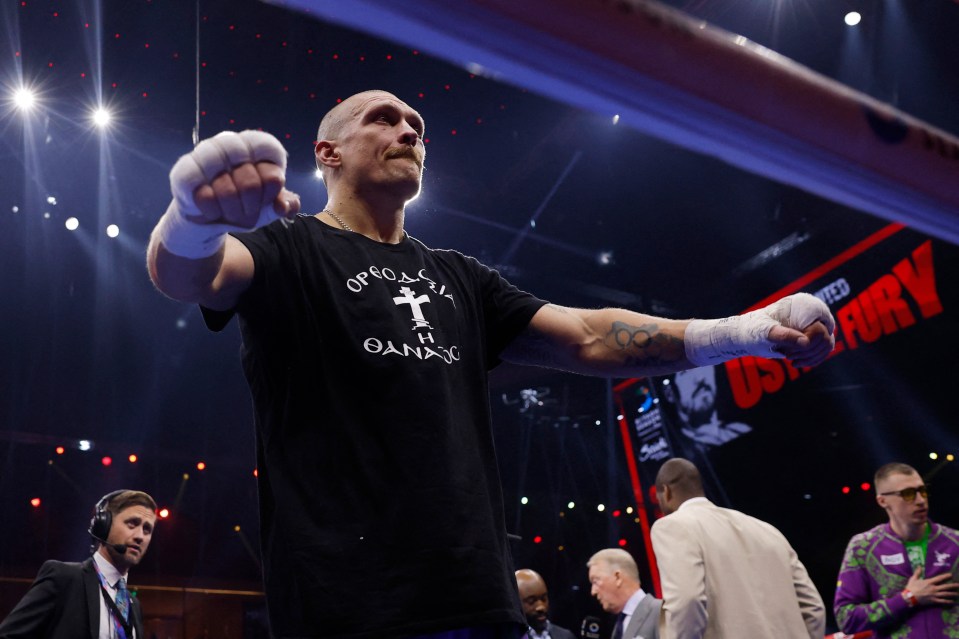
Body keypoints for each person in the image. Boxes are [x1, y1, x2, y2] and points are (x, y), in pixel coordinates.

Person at [145, 89, 836, 638]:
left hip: (479, 598)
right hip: (347, 603)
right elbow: (188, 275)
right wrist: (191, 219)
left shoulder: (458, 276)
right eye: (382, 119)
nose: (408, 131)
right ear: (327, 150)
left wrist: (742, 331)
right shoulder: (288, 249)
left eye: (415, 124)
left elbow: (589, 335)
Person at [651, 458, 825, 639]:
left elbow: (687, 601)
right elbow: (813, 607)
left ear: (666, 492)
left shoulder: (672, 527)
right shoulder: (766, 530)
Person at [0, 490, 158, 638]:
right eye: (132, 524)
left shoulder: (134, 605)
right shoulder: (63, 579)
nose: (140, 536)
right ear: (103, 525)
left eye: (147, 529)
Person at [834, 462, 959, 638]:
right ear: (882, 501)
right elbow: (846, 618)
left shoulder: (955, 542)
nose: (920, 500)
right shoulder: (863, 547)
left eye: (922, 490)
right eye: (908, 494)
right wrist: (908, 598)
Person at [586, 548, 661, 639]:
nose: (593, 592)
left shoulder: (661, 612)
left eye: (596, 581)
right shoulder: (618, 626)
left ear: (617, 577)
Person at [669, 366, 750, 446]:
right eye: (684, 372)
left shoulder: (739, 430)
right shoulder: (679, 449)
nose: (700, 378)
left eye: (704, 364)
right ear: (669, 393)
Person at [515, 569, 575, 639]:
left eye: (544, 599)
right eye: (532, 601)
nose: (541, 607)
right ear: (516, 603)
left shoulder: (566, 636)